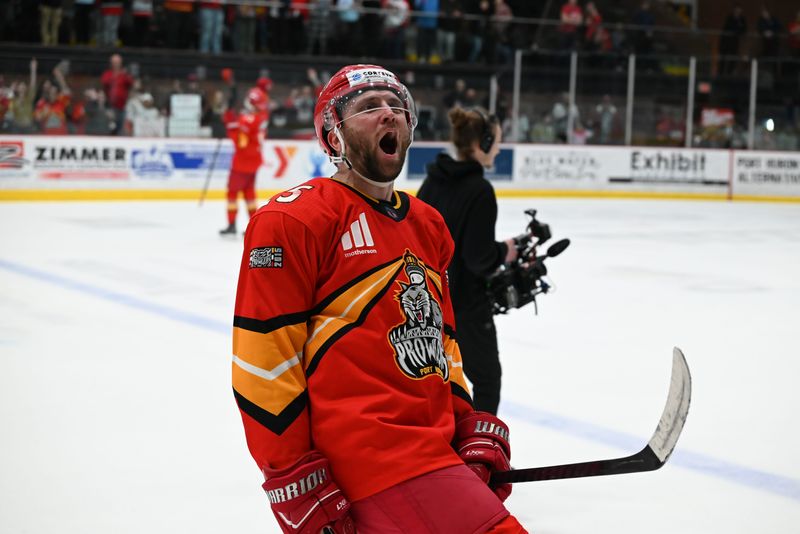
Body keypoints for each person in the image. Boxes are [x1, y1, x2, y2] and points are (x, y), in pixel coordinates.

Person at [231, 64, 526, 533]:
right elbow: (263, 362)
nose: (389, 114)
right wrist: (291, 477)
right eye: (369, 107)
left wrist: (465, 422)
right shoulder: (294, 220)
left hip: (432, 458)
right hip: (367, 468)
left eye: (397, 107)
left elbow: (442, 346)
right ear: (334, 136)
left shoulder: (428, 225)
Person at [416, 107, 517, 415]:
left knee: (438, 380)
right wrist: (505, 251)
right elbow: (480, 259)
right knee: (487, 381)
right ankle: (483, 452)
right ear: (481, 144)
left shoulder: (432, 181)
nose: (499, 149)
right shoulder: (480, 190)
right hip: (468, 306)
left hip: (431, 303)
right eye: (496, 142)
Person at [219, 87, 269, 236]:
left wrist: (230, 125)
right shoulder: (262, 117)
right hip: (254, 161)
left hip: (242, 162)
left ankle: (231, 224)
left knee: (232, 193)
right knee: (249, 194)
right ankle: (253, 225)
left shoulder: (248, 119)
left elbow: (240, 143)